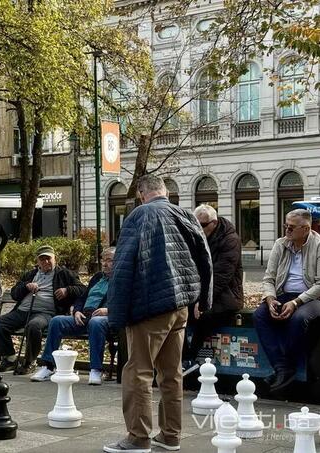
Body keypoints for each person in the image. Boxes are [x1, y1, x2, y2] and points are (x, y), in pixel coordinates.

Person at [105, 175, 212, 453]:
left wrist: (117, 315)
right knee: (171, 373)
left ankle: (138, 437)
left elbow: (122, 267)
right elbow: (205, 257)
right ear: (165, 191)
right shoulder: (185, 215)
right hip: (181, 305)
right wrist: (203, 299)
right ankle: (170, 435)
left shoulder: (140, 215)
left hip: (149, 306)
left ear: (142, 194)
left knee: (138, 372)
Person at [254, 209, 320, 393]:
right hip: (284, 294)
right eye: (286, 226)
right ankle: (282, 367)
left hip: (312, 297)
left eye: (291, 227)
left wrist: (296, 302)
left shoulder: (319, 245)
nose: (287, 230)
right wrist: (270, 298)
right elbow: (269, 278)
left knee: (298, 319)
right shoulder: (280, 244)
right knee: (260, 315)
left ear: (306, 229)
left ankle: (286, 367)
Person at [0, 245, 86, 374]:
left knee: (33, 326)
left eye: (48, 258)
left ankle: (30, 362)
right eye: (42, 259)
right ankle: (9, 359)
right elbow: (14, 293)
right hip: (23, 311)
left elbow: (82, 290)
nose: (46, 262)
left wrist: (67, 290)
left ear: (55, 259)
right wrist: (26, 286)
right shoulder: (31, 274)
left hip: (46, 313)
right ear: (37, 261)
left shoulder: (64, 274)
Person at [31, 247, 116, 385]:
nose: (105, 264)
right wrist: (77, 311)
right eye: (103, 260)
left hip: (106, 318)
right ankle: (48, 366)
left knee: (95, 322)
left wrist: (108, 310)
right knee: (57, 321)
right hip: (85, 316)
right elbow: (82, 297)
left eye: (109, 260)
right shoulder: (97, 277)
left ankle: (96, 369)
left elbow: (127, 302)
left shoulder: (121, 279)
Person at [182, 204, 244, 373]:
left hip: (226, 295)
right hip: (203, 291)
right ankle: (183, 358)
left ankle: (191, 358)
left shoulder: (230, 239)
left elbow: (221, 275)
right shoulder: (198, 235)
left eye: (202, 225)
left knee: (205, 316)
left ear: (214, 223)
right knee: (179, 313)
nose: (198, 228)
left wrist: (202, 301)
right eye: (195, 224)